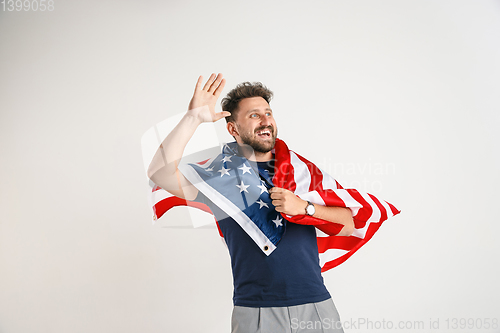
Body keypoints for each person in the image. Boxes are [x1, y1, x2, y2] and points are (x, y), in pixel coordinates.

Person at [147, 73, 354, 333]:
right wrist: (193, 118)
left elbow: (348, 223)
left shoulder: (304, 171)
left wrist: (305, 207)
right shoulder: (217, 178)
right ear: (233, 128)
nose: (266, 119)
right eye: (254, 115)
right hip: (254, 313)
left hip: (316, 307)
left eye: (268, 112)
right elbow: (159, 172)